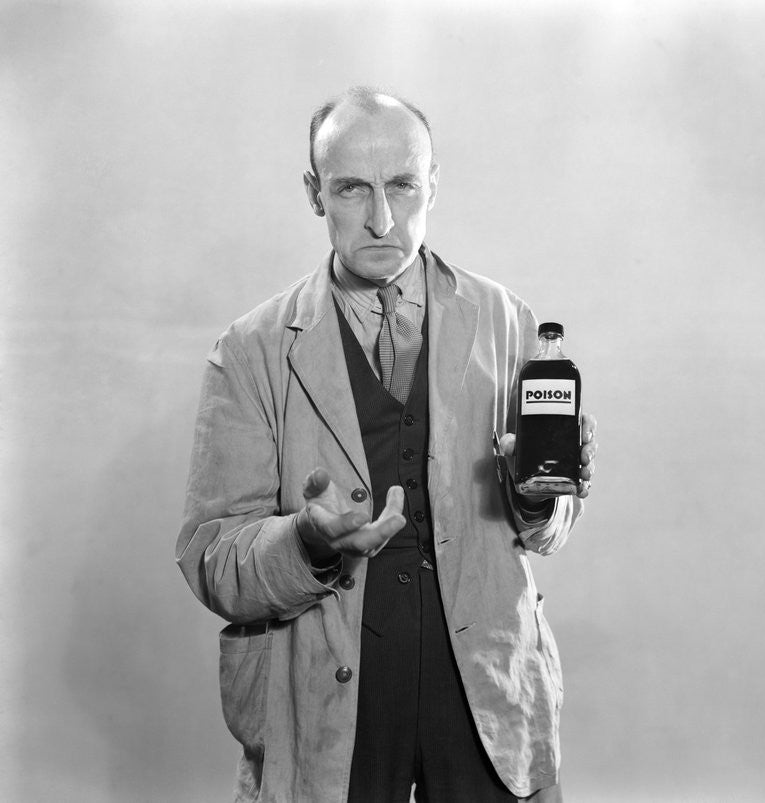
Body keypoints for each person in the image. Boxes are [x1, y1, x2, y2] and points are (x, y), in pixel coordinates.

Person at [175, 86, 598, 803]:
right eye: (351, 188)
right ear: (315, 193)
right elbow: (213, 560)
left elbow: (545, 530)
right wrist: (306, 540)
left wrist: (539, 500)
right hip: (328, 693)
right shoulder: (248, 351)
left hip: (485, 687)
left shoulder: (506, 319)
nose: (381, 217)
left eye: (402, 184)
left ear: (433, 182)